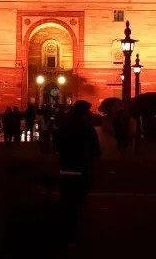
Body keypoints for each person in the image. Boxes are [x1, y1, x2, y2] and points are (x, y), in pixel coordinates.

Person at [55, 100, 101, 245]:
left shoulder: (64, 127)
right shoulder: (88, 129)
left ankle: (62, 232)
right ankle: (73, 234)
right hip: (82, 169)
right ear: (84, 113)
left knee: (66, 200)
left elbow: (57, 145)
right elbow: (96, 151)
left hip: (66, 167)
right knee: (77, 203)